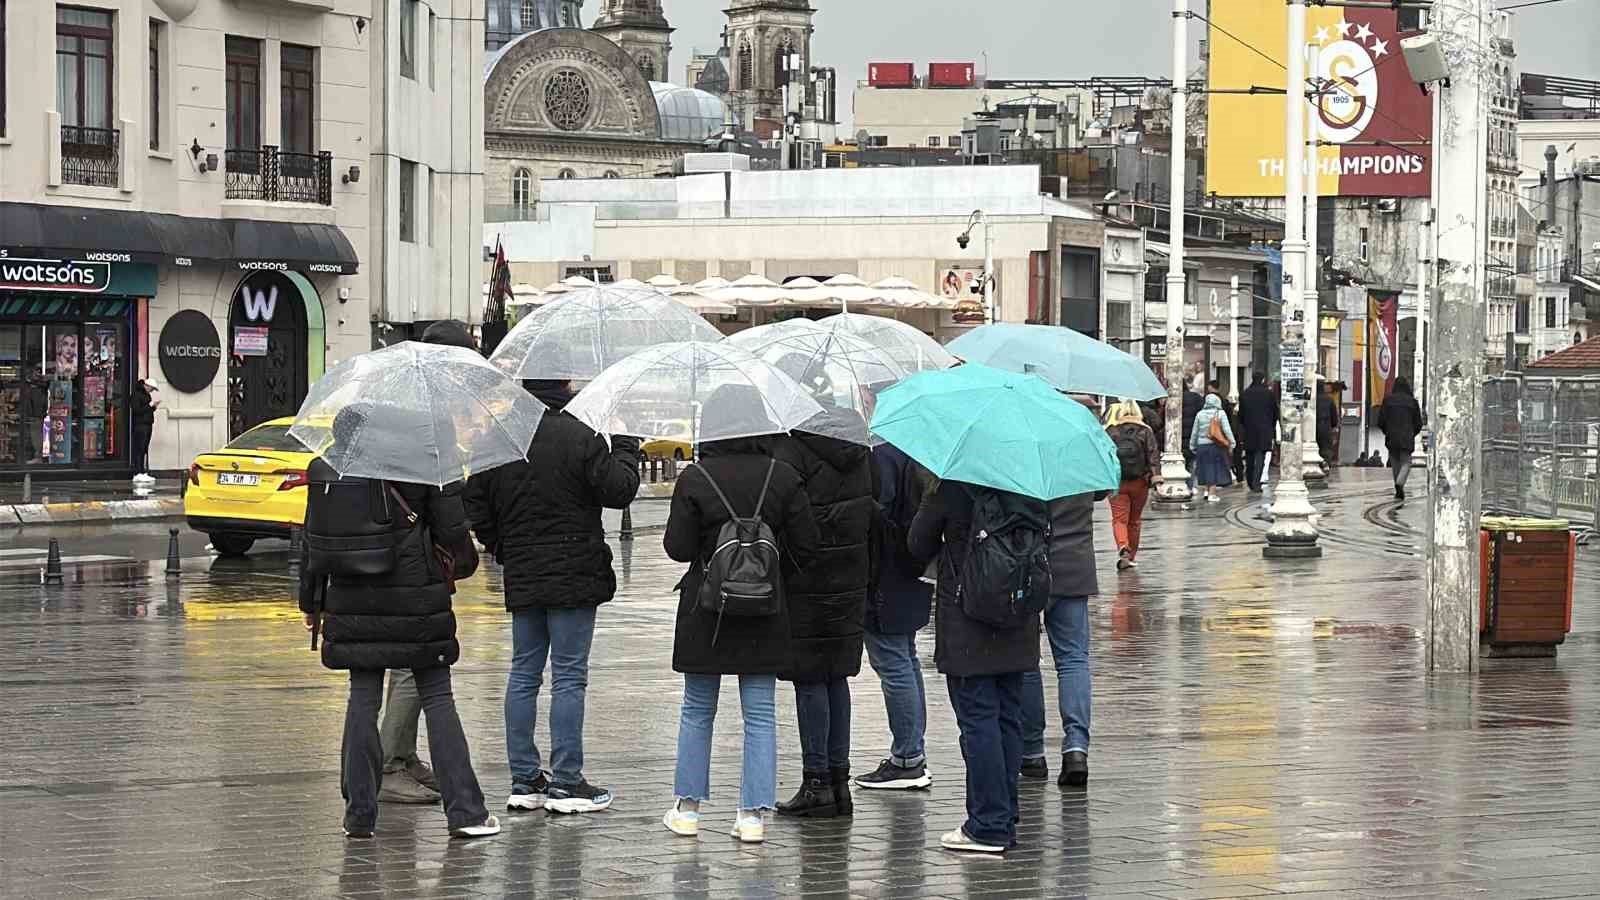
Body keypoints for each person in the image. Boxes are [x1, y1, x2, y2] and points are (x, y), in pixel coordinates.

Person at [298, 407, 498, 840]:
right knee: (438, 698)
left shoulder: (325, 469)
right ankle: (466, 813)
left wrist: (310, 603)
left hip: (350, 600)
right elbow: (452, 532)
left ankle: (360, 817)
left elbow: (313, 541)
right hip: (416, 599)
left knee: (362, 699)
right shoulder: (424, 464)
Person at [466, 377, 642, 815]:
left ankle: (524, 780)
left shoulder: (500, 436)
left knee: (524, 672)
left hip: (524, 571)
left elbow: (475, 503)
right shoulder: (579, 433)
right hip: (574, 572)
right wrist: (623, 442)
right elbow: (619, 490)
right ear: (563, 384)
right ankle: (566, 781)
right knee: (568, 676)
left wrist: (503, 546)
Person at [661, 386, 821, 845]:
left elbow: (677, 549)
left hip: (706, 611)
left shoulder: (696, 478)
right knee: (761, 712)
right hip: (766, 608)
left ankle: (688, 809)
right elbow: (807, 547)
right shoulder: (784, 477)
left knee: (697, 709)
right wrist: (766, 571)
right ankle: (752, 816)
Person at [369, 320, 477, 805]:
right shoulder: (429, 418)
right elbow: (444, 498)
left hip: (388, 551)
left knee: (404, 663)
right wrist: (463, 554)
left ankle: (403, 754)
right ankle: (390, 764)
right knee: (417, 662)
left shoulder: (392, 402)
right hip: (414, 557)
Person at [911, 479, 1042, 853]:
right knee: (1008, 718)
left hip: (968, 620)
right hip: (1018, 615)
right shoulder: (1028, 485)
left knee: (979, 721)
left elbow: (917, 544)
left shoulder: (951, 488)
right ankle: (1005, 813)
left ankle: (987, 824)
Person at [772, 403, 873, 819]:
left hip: (806, 579)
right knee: (836, 676)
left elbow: (785, 516)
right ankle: (839, 783)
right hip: (851, 575)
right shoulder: (860, 449)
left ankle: (816, 782)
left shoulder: (792, 451)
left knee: (809, 677)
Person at [854, 440, 935, 792]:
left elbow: (880, 515)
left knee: (893, 663)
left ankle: (908, 759)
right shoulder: (922, 452)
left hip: (885, 573)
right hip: (912, 569)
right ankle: (912, 752)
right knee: (905, 658)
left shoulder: (885, 455)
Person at [1104, 401, 1161, 570]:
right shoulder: (1145, 431)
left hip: (1117, 482)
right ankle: (1131, 556)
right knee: (1134, 521)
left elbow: (1104, 455)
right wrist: (1156, 477)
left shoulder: (1111, 431)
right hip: (1139, 482)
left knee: (1119, 519)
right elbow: (1153, 456)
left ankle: (1123, 546)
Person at [1376, 376, 1425, 501]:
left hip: (1391, 436)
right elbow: (1418, 423)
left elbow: (1381, 420)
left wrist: (1387, 431)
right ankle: (1400, 484)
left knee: (1395, 463)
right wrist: (1412, 433)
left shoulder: (1388, 400)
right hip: (1406, 436)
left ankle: (1398, 488)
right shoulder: (1412, 402)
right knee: (1406, 462)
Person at [1189, 393, 1235, 503]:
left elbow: (1195, 431)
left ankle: (1206, 490)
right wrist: (1232, 443)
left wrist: (1192, 445)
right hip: (1214, 445)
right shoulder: (1220, 413)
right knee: (1214, 469)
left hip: (1201, 445)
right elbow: (1227, 430)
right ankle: (1212, 494)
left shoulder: (1199, 414)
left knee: (1204, 468)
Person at [1238, 373, 1279, 493]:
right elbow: (1275, 412)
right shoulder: (1269, 394)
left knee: (1249, 455)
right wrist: (1271, 426)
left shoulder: (1245, 393)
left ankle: (1250, 480)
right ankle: (1256, 483)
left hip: (1249, 429)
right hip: (1264, 429)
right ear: (1263, 379)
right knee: (1260, 455)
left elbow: (1241, 413)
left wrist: (1244, 425)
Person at [18, 367, 46, 464]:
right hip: (34, 415)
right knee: (34, 435)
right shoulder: (36, 387)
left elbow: (37, 403)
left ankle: (38, 457)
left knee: (36, 436)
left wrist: (34, 414)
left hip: (35, 415)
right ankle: (37, 456)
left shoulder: (36, 388)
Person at [130, 379, 158, 475]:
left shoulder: (146, 395)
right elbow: (137, 410)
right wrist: (150, 406)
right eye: (152, 389)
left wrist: (153, 407)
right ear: (147, 386)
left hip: (147, 423)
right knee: (139, 448)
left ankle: (141, 470)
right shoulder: (136, 395)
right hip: (140, 425)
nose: (152, 391)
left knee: (144, 448)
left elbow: (145, 410)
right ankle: (138, 471)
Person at [1181, 377, 1204, 486]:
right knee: (1191, 463)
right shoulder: (1196, 398)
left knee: (1181, 463)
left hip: (1179, 438)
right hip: (1193, 436)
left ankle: (1185, 485)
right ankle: (1189, 486)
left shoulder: (1172, 400)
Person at [1317, 381, 1339, 469]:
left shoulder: (1311, 399)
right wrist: (1333, 426)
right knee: (1326, 449)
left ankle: (1317, 465)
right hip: (1325, 428)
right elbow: (1334, 418)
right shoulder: (1329, 399)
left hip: (1313, 429)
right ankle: (1326, 466)